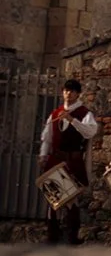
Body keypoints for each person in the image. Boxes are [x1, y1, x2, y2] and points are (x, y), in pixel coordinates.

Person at [37, 77, 97, 245]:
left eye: (71, 91)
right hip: (55, 159)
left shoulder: (84, 113)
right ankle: (52, 235)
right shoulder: (55, 113)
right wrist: (43, 155)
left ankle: (72, 236)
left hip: (72, 160)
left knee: (71, 198)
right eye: (65, 90)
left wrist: (72, 120)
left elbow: (90, 132)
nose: (67, 94)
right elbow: (47, 138)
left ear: (78, 94)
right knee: (53, 197)